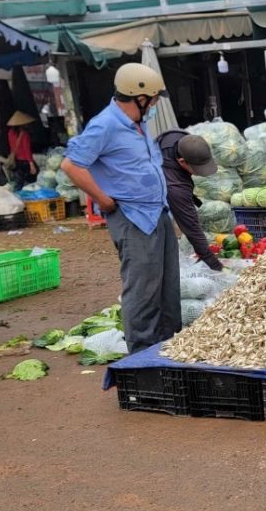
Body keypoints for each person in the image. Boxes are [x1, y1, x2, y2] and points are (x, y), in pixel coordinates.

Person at [60, 63, 179, 354]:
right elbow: (71, 165)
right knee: (143, 291)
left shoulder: (138, 123)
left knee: (168, 289)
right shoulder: (106, 124)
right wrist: (103, 199)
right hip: (133, 217)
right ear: (138, 97)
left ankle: (170, 350)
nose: (153, 106)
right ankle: (142, 358)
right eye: (151, 100)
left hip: (157, 214)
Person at [156, 130, 222, 272]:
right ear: (182, 161)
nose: (200, 173)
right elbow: (192, 228)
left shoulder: (178, 139)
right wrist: (215, 265)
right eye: (198, 169)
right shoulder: (175, 188)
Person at [6, 111, 38, 186]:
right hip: (25, 161)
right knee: (32, 181)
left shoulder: (10, 132)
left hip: (16, 160)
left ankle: (18, 195)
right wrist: (31, 164)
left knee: (20, 181)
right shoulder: (24, 134)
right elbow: (27, 149)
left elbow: (11, 146)